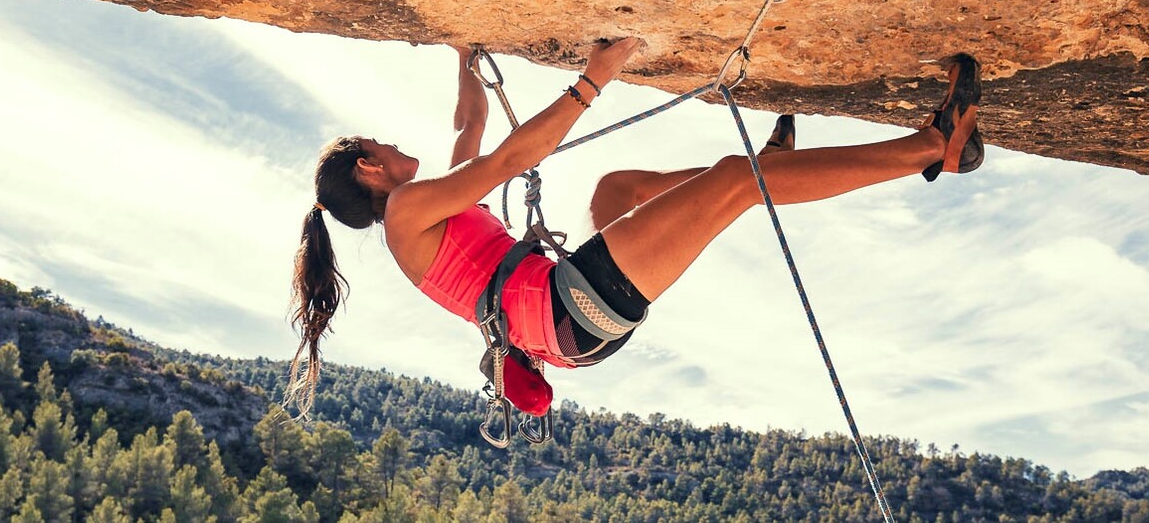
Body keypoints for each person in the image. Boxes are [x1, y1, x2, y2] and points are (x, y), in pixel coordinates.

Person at [287, 38, 981, 416]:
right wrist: (592, 80)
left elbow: (471, 126)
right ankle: (930, 147)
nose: (391, 145)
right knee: (736, 186)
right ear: (369, 170)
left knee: (615, 191)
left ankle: (756, 168)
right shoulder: (409, 211)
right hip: (567, 309)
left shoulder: (420, 209)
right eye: (377, 145)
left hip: (566, 319)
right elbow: (505, 157)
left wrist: (463, 53)